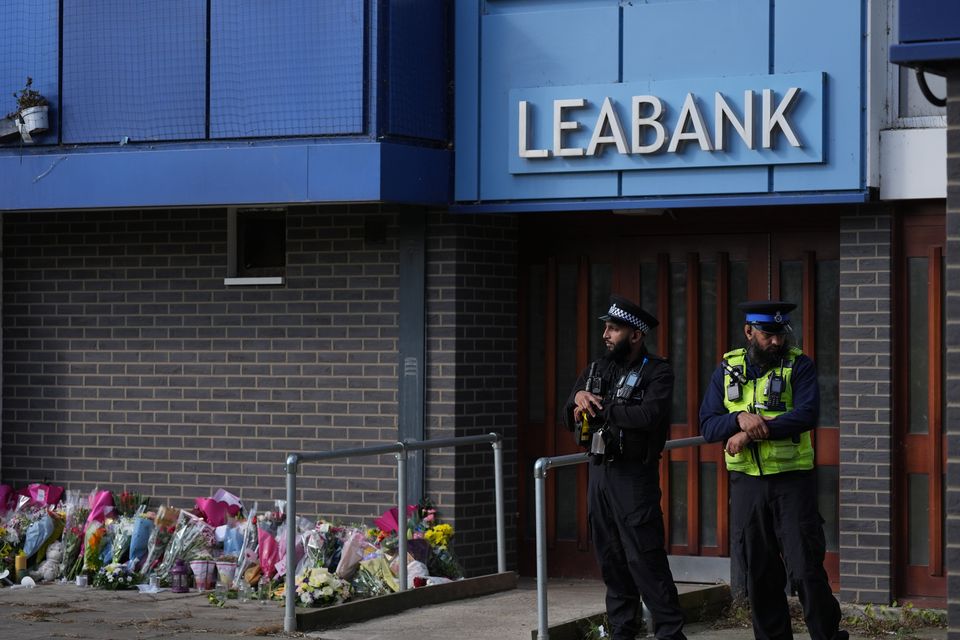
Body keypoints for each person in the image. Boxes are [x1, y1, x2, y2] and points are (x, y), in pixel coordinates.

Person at [699, 301, 847, 640]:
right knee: (761, 573)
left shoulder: (800, 365)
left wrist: (747, 431)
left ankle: (828, 634)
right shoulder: (726, 368)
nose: (777, 342)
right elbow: (707, 424)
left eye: (781, 334)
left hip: (792, 482)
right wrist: (737, 418)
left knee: (805, 568)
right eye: (768, 335)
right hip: (747, 484)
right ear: (749, 332)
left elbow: (806, 415)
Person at [563, 295, 686, 640]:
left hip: (634, 477)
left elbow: (647, 416)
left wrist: (602, 409)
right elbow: (566, 411)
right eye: (606, 327)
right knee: (612, 560)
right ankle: (622, 632)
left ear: (635, 335)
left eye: (613, 328)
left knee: (645, 561)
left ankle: (670, 633)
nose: (605, 334)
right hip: (600, 473)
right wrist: (577, 401)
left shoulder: (658, 371)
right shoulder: (596, 368)